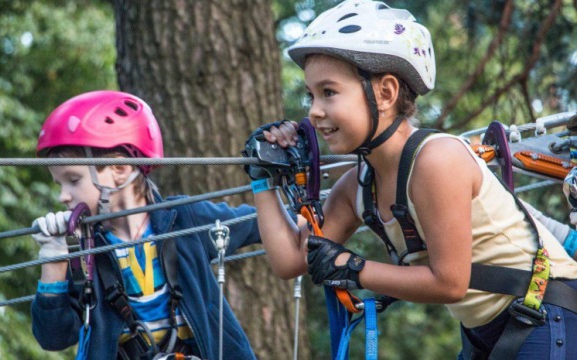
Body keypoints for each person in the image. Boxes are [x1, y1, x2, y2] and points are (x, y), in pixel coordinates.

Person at [242, 1, 577, 359]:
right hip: (491, 331)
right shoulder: (359, 185)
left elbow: (449, 282)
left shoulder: (436, 159)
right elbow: (291, 261)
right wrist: (262, 179)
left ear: (385, 93)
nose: (313, 110)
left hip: (546, 314)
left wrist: (353, 267)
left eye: (329, 92)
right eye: (311, 95)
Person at [31, 90, 259, 360]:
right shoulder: (83, 252)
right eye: (60, 184)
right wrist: (54, 261)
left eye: (73, 180)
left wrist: (311, 220)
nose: (63, 196)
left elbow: (260, 224)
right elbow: (54, 337)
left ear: (120, 169)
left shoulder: (185, 218)